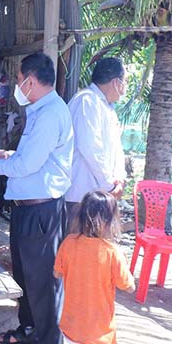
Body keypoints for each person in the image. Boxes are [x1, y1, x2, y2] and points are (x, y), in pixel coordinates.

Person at [0, 53, 74, 344]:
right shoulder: (39, 110)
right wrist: (9, 155)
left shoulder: (50, 114)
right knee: (24, 277)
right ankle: (30, 330)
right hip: (27, 208)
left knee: (44, 284)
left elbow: (28, 165)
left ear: (31, 81)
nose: (17, 85)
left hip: (42, 210)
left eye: (19, 79)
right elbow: (35, 157)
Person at [54, 191, 135, 344]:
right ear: (111, 219)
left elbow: (57, 273)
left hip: (72, 316)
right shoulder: (113, 251)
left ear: (81, 215)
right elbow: (129, 286)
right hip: (97, 320)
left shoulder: (68, 242)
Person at [65, 57, 127, 223]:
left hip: (102, 194)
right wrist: (109, 185)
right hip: (82, 195)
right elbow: (90, 148)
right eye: (125, 82)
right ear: (116, 82)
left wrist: (119, 180)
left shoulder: (107, 107)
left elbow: (116, 149)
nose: (124, 90)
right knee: (78, 238)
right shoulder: (87, 100)